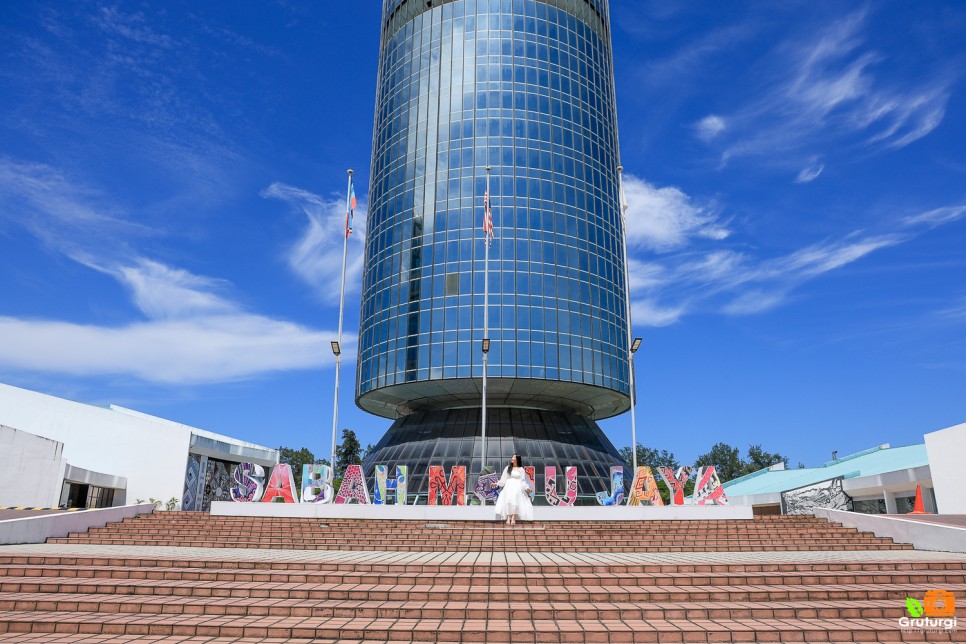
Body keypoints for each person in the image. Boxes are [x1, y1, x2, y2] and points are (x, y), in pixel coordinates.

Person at [493, 454, 534, 525]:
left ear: (517, 459)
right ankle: (508, 517)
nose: (512, 458)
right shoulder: (507, 468)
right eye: (512, 456)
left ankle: (513, 517)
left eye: (514, 457)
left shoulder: (521, 469)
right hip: (508, 487)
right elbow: (503, 479)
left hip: (517, 487)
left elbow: (522, 481)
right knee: (508, 500)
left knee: (515, 501)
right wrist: (497, 483)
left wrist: (527, 488)